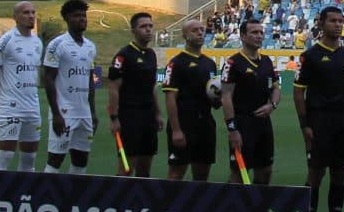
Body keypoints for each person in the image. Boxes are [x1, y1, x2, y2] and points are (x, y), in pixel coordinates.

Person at [296, 5, 344, 212]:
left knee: (340, 174)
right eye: (333, 20)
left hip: (343, 122)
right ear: (321, 23)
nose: (338, 24)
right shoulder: (310, 56)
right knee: (316, 173)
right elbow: (299, 92)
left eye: (341, 21)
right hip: (319, 121)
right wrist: (305, 125)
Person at [0, 1, 46, 171]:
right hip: (10, 107)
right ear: (15, 17)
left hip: (32, 107)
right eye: (26, 12)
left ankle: (24, 195)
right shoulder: (6, 41)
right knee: (5, 156)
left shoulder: (37, 42)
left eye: (33, 12)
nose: (31, 16)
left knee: (30, 159)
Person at [222, 18, 281, 185]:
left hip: (263, 123)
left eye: (261, 32)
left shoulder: (267, 61)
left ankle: (257, 209)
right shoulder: (233, 62)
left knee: (265, 171)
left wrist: (272, 105)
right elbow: (226, 96)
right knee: (239, 173)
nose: (259, 36)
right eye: (254, 32)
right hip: (242, 122)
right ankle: (229, 209)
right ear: (242, 36)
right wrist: (232, 129)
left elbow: (276, 89)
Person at [42, 0, 98, 174]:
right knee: (55, 160)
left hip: (84, 113)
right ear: (67, 18)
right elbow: (48, 79)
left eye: (84, 15)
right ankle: (44, 196)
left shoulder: (90, 46)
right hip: (64, 113)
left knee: (81, 160)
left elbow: (90, 80)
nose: (82, 19)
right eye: (76, 16)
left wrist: (93, 112)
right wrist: (56, 114)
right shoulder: (57, 45)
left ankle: (73, 198)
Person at [106, 13, 161, 177]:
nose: (148, 30)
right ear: (133, 30)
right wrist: (114, 118)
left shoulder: (151, 54)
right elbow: (113, 87)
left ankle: (142, 202)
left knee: (145, 169)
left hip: (148, 116)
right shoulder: (124, 55)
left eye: (150, 26)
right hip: (129, 116)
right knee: (126, 168)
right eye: (143, 26)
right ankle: (120, 201)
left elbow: (152, 86)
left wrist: (157, 113)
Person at [163, 18, 218, 182]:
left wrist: (218, 98)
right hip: (184, 123)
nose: (200, 32)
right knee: (176, 172)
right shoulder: (176, 63)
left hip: (206, 123)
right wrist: (176, 130)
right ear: (185, 35)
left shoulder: (210, 63)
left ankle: (197, 207)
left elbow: (213, 100)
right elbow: (170, 98)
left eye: (202, 29)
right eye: (195, 30)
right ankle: (167, 206)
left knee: (202, 174)